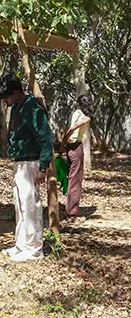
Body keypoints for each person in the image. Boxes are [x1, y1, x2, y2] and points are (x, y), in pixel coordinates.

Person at [0, 72, 53, 262]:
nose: (5, 101)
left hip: (31, 163)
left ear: (17, 91)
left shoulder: (33, 108)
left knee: (30, 205)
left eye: (7, 97)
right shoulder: (17, 106)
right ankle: (21, 245)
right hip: (20, 163)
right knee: (20, 205)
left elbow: (46, 139)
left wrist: (43, 167)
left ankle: (34, 249)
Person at [61, 94, 93, 223]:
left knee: (71, 179)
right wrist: (64, 141)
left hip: (70, 147)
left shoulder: (75, 113)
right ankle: (72, 214)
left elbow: (69, 128)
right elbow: (72, 128)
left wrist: (64, 144)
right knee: (75, 181)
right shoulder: (85, 117)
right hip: (75, 148)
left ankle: (69, 210)